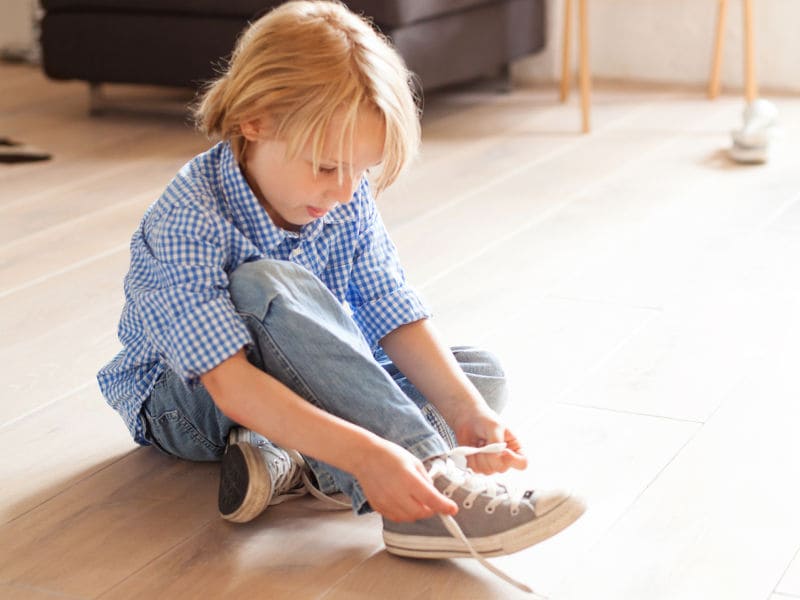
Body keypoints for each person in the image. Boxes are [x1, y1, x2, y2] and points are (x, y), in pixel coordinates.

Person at [97, 0, 584, 589]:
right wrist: (370, 456)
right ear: (255, 120)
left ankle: (287, 456)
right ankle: (429, 497)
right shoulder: (188, 218)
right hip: (191, 403)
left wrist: (465, 412)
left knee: (479, 376)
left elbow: (392, 309)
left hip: (292, 378)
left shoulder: (343, 194)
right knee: (263, 283)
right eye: (328, 167)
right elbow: (230, 384)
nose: (346, 190)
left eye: (362, 171)